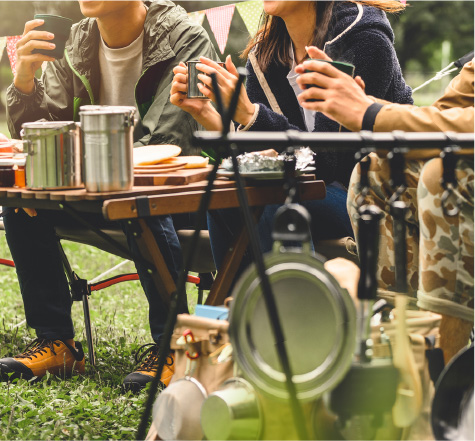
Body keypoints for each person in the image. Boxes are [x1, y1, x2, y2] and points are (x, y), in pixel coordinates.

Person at [0, 0, 217, 392]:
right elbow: (45, 136)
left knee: (141, 199)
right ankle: (57, 342)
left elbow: (169, 144)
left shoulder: (187, 38)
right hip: (96, 193)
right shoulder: (76, 40)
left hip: (179, 196)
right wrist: (25, 84)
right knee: (21, 199)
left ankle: (171, 345)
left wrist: (78, 174)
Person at [171, 0, 412, 282]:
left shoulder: (363, 39)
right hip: (309, 192)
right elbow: (266, 154)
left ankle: (298, 313)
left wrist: (250, 114)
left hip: (375, 200)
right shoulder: (266, 54)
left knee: (270, 195)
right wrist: (215, 118)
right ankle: (236, 314)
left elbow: (325, 162)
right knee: (228, 192)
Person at [298, 47, 474, 362]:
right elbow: (441, 118)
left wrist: (368, 112)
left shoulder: (364, 33)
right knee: (377, 170)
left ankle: (449, 380)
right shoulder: (265, 51)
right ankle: (397, 347)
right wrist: (364, 107)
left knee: (443, 175)